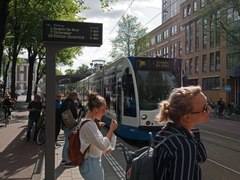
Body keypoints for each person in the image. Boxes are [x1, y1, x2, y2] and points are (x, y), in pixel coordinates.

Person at [154, 85, 209, 180]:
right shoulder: (183, 145)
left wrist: (191, 133)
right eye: (204, 108)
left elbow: (201, 157)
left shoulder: (166, 132)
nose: (209, 110)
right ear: (186, 117)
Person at [79, 91, 118, 180]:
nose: (105, 113)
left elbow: (97, 143)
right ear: (95, 109)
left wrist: (105, 149)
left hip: (90, 163)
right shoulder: (89, 125)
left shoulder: (86, 121)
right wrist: (111, 129)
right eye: (103, 109)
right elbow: (103, 145)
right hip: (92, 164)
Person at [60, 91, 79, 167]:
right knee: (70, 142)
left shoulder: (64, 103)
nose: (76, 98)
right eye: (76, 97)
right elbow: (75, 115)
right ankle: (67, 161)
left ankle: (64, 158)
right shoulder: (71, 104)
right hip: (71, 125)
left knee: (66, 141)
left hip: (65, 124)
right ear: (73, 97)